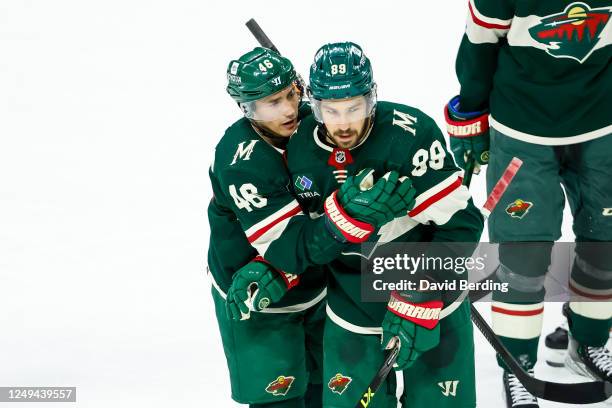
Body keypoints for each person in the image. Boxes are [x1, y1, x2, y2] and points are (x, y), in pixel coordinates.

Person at [229, 41, 484, 407]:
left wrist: (421, 292)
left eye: (355, 108)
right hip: (352, 303)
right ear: (312, 104)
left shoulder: (409, 135)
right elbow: (304, 236)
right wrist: (278, 265)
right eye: (331, 110)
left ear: (373, 97)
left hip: (431, 296)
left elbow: (462, 223)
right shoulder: (299, 148)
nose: (344, 123)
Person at [209, 47, 412, 407]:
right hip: (259, 292)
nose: (288, 109)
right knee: (279, 396)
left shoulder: (318, 121)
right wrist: (352, 216)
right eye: (272, 103)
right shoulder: (240, 161)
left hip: (319, 282)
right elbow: (289, 245)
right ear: (245, 108)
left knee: (326, 389)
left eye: (291, 94)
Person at [445, 1, 612, 406]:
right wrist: (471, 110)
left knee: (605, 240)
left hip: (604, 122)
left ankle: (587, 342)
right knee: (523, 253)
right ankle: (517, 364)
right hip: (523, 129)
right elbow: (479, 45)